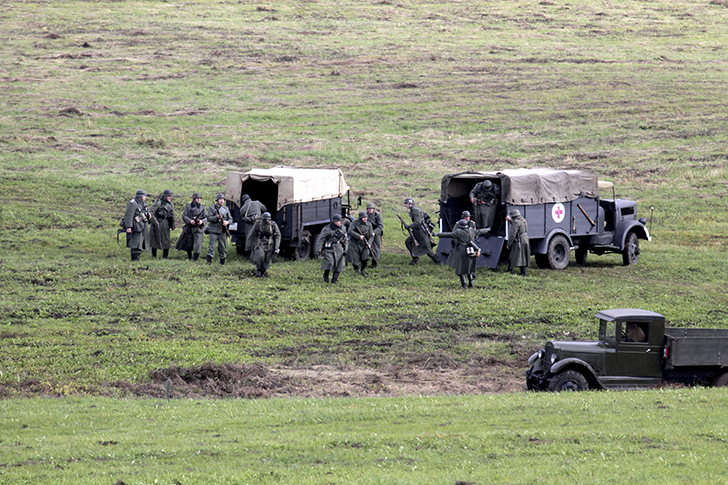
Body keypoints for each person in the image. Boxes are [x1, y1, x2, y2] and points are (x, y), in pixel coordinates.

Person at [446, 219, 490, 288]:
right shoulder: (472, 231)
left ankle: (464, 285)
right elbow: (480, 231)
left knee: (460, 269)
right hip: (471, 250)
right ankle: (471, 283)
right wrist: (487, 229)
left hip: (461, 250)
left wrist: (437, 234)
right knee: (469, 268)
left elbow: (449, 234)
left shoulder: (459, 233)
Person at [403, 197, 440, 265]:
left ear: (410, 204)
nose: (405, 205)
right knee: (408, 242)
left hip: (421, 231)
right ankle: (415, 258)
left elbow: (418, 222)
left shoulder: (414, 210)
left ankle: (438, 261)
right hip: (417, 231)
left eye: (406, 203)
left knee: (427, 248)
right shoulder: (414, 209)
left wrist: (409, 226)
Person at [314, 213, 348, 283]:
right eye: (338, 221)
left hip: (339, 248)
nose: (340, 222)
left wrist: (346, 249)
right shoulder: (327, 229)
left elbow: (345, 239)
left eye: (341, 221)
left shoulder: (343, 228)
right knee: (329, 262)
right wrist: (318, 250)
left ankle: (334, 280)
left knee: (339, 265)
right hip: (329, 248)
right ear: (334, 221)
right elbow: (321, 239)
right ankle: (326, 275)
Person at [123, 189, 151, 261]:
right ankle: (134, 259)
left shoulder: (142, 204)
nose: (145, 197)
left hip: (141, 226)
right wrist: (129, 227)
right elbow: (129, 216)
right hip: (136, 227)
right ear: (140, 196)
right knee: (135, 243)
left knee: (140, 243)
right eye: (144, 196)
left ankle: (137, 258)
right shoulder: (133, 203)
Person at [250, 212, 281, 277]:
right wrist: (249, 245)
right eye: (266, 219)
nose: (267, 220)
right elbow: (251, 234)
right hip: (260, 242)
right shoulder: (258, 224)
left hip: (270, 244)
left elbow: (278, 235)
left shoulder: (273, 225)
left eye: (268, 219)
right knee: (260, 256)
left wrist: (276, 247)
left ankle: (263, 271)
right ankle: (258, 269)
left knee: (268, 260)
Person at [177, 192, 206, 261]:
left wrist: (202, 222)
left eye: (200, 198)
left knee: (198, 243)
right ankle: (189, 257)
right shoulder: (188, 206)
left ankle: (195, 259)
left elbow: (206, 217)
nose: (199, 200)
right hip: (189, 227)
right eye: (197, 198)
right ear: (194, 199)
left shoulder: (202, 207)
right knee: (189, 243)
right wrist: (190, 221)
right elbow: (184, 216)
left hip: (198, 228)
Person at [205, 193, 232, 265]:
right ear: (217, 200)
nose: (222, 201)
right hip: (213, 230)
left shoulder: (226, 209)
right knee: (211, 247)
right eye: (220, 199)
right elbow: (209, 218)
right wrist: (216, 217)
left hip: (222, 231)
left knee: (222, 247)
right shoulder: (212, 208)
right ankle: (209, 262)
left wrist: (227, 222)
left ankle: (222, 262)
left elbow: (230, 219)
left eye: (223, 199)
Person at [149, 189, 175, 259]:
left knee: (166, 240)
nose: (170, 197)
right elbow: (151, 212)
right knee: (155, 239)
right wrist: (155, 221)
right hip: (158, 222)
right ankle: (154, 256)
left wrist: (173, 225)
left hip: (166, 223)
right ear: (164, 196)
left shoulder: (170, 204)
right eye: (168, 196)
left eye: (170, 196)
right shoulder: (158, 203)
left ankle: (165, 256)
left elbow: (172, 215)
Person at [347, 211, 374, 277]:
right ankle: (356, 270)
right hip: (354, 243)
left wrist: (369, 244)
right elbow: (350, 231)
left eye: (366, 217)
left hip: (364, 243)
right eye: (363, 217)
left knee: (366, 257)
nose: (365, 219)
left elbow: (371, 235)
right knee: (355, 258)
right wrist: (359, 236)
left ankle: (363, 269)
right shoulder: (355, 223)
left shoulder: (369, 224)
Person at [506, 208, 530, 276]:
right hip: (525, 239)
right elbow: (518, 225)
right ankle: (522, 272)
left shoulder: (516, 222)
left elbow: (512, 234)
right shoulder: (523, 220)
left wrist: (509, 244)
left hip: (519, 240)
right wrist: (510, 220)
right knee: (523, 255)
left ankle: (522, 272)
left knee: (515, 255)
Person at [366, 202, 384, 269]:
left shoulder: (377, 215)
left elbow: (381, 226)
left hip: (376, 233)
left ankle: (374, 263)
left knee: (376, 248)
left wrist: (374, 232)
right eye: (369, 208)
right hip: (367, 233)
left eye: (371, 208)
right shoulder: (365, 215)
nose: (370, 210)